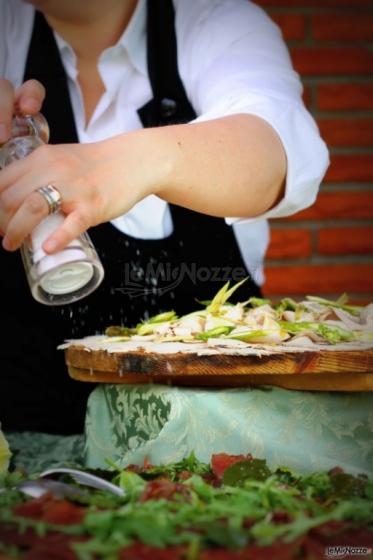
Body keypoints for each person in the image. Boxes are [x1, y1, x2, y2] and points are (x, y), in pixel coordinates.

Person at [0, 0, 328, 435]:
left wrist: (126, 163)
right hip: (29, 461)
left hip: (224, 456)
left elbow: (280, 149)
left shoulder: (216, 19)